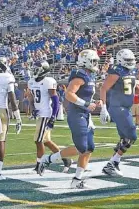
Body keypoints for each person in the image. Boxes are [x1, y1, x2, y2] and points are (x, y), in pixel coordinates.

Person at [40, 50, 100, 189]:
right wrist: (86, 104)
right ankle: (48, 159)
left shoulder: (89, 75)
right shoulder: (80, 75)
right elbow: (69, 94)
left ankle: (77, 179)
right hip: (76, 114)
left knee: (89, 148)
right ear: (86, 61)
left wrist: (96, 102)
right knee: (81, 147)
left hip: (85, 114)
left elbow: (84, 96)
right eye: (94, 61)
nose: (96, 63)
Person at [99, 49, 138, 177]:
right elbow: (104, 88)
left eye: (131, 60)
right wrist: (104, 107)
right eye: (128, 60)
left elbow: (130, 87)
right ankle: (112, 163)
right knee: (132, 135)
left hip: (126, 107)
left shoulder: (132, 70)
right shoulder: (117, 70)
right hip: (117, 106)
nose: (130, 62)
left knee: (125, 138)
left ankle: (113, 163)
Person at [28, 60, 71, 175]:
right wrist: (33, 108)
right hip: (40, 114)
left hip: (46, 114)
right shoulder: (31, 82)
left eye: (36, 68)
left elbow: (55, 100)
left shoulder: (48, 81)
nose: (34, 70)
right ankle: (66, 159)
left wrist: (53, 117)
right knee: (46, 141)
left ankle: (40, 164)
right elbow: (31, 98)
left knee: (38, 140)